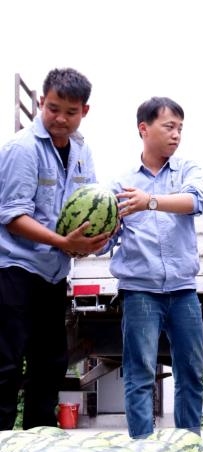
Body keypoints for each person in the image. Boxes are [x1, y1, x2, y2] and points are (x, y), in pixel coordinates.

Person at [0, 68, 111, 430]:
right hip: (14, 269)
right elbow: (13, 216)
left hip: (52, 272)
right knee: (6, 362)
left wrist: (95, 239)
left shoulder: (81, 151)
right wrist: (64, 242)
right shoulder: (22, 149)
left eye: (70, 111)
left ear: (85, 112)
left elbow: (89, 204)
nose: (61, 119)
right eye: (53, 108)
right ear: (40, 103)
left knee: (50, 363)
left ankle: (37, 440)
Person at [109, 96, 203, 439]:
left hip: (183, 290)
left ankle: (188, 443)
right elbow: (109, 238)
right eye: (169, 126)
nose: (176, 135)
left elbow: (198, 201)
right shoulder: (120, 186)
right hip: (140, 291)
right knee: (139, 374)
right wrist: (98, 232)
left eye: (180, 128)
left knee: (191, 372)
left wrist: (149, 202)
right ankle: (141, 447)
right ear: (144, 129)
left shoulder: (186, 171)